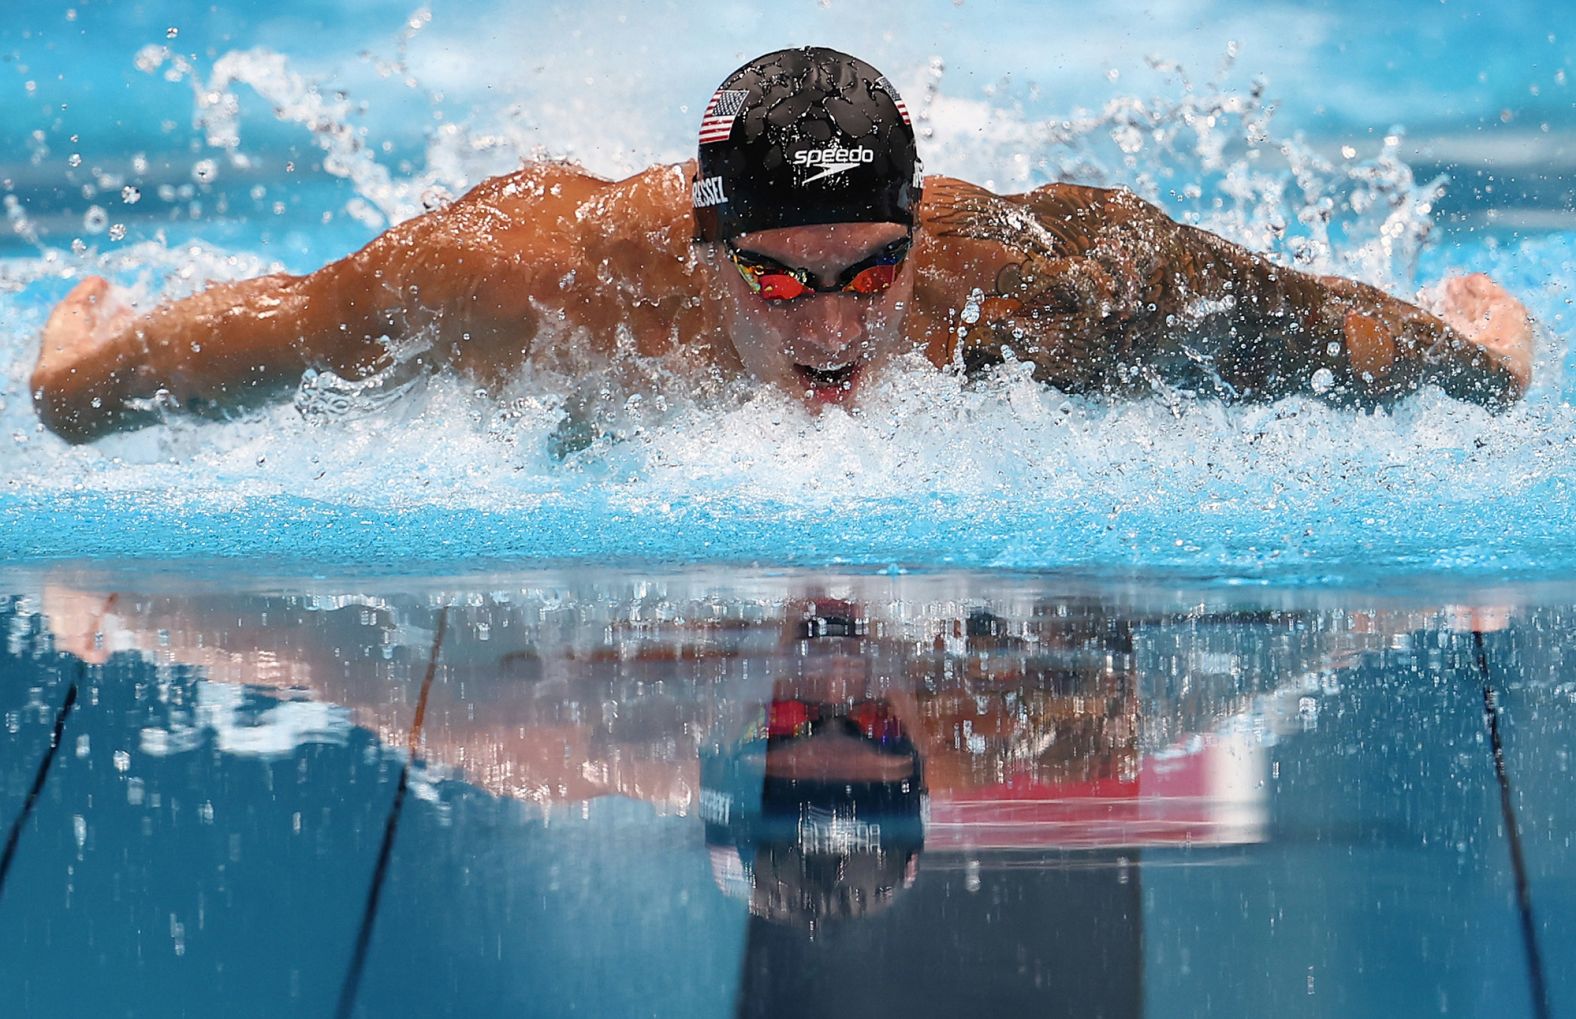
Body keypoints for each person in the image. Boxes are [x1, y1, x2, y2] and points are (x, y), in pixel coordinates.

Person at [31, 47, 1534, 444]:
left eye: (873, 274)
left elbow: (1286, 326)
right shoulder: (519, 274)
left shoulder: (1039, 275)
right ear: (702, 253)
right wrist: (82, 385)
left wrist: (1473, 363)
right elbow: (290, 331)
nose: (834, 331)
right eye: (783, 281)